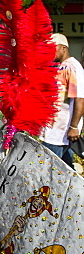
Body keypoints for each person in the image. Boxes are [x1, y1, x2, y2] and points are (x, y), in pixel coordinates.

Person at [40, 33, 84, 169]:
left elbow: (80, 98)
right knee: (64, 170)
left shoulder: (72, 67)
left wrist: (74, 127)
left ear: (63, 48)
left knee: (51, 170)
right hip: (54, 131)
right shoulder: (61, 67)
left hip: (61, 132)